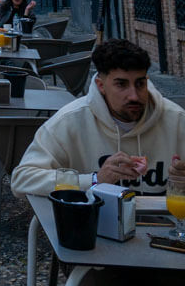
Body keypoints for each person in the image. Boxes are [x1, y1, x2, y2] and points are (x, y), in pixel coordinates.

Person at [12, 39, 185, 198]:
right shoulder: (70, 121)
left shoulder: (177, 120)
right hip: (92, 225)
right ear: (101, 85)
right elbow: (22, 180)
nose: (134, 95)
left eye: (140, 84)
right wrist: (94, 180)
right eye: (121, 84)